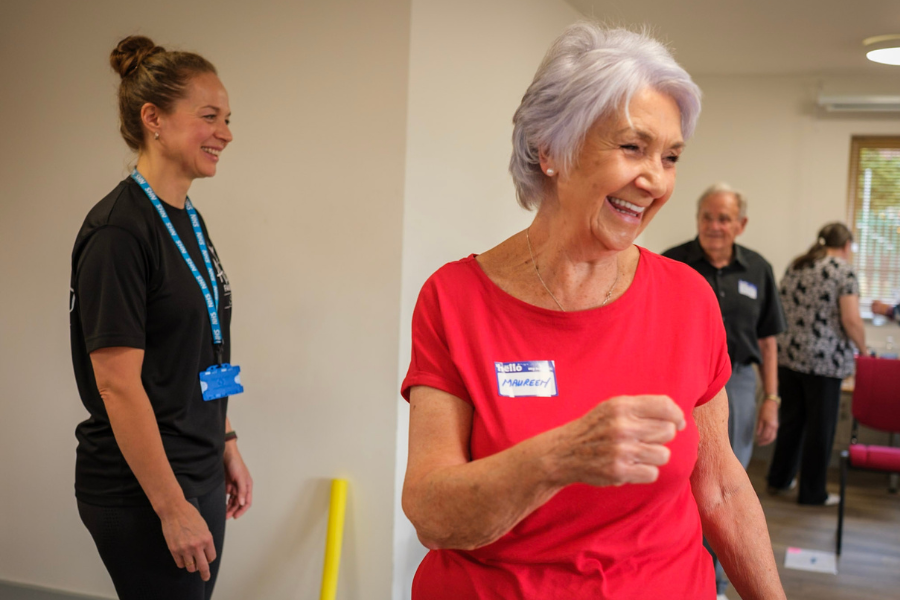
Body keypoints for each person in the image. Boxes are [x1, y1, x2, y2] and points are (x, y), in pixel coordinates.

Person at [400, 23, 785, 600]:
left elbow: (722, 489)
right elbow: (433, 514)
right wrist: (559, 456)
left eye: (671, 156)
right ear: (550, 149)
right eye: (632, 147)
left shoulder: (688, 298)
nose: (655, 180)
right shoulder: (455, 298)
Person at [69, 36, 251, 599]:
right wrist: (171, 507)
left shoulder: (189, 222)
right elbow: (116, 385)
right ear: (153, 118)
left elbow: (204, 348)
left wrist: (227, 442)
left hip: (197, 468)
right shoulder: (119, 232)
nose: (225, 132)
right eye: (209, 117)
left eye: (227, 118)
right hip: (142, 487)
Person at [662, 184, 785, 597]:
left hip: (742, 382)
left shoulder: (759, 269)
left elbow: (769, 342)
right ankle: (692, 571)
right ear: (697, 219)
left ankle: (714, 578)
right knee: (682, 479)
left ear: (741, 224)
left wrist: (772, 399)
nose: (715, 226)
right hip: (682, 382)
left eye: (724, 218)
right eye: (707, 217)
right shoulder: (671, 264)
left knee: (727, 482)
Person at [767, 223, 866, 506]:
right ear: (846, 245)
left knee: (791, 423)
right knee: (820, 429)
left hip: (788, 356)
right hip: (823, 362)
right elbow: (850, 320)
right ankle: (812, 493)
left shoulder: (797, 265)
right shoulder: (843, 271)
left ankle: (779, 479)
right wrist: (864, 350)